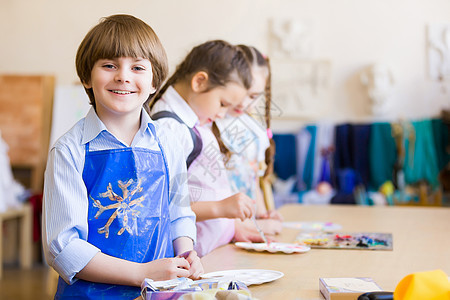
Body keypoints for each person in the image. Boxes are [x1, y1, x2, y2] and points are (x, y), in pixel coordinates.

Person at [42, 14, 202, 299]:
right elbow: (64, 248)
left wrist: (187, 251)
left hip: (160, 292)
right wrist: (141, 273)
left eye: (138, 67)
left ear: (154, 82)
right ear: (86, 77)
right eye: (109, 65)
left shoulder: (169, 142)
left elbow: (180, 212)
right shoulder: (69, 150)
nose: (123, 76)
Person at [149, 40, 265, 257]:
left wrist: (233, 226)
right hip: (191, 257)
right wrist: (221, 208)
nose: (222, 114)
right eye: (222, 103)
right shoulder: (170, 128)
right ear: (199, 82)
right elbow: (160, 206)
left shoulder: (195, 120)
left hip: (214, 250)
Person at [214, 45, 283, 235]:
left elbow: (252, 180)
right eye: (242, 92)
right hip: (221, 231)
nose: (244, 103)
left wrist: (262, 215)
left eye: (253, 96)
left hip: (249, 230)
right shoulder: (210, 122)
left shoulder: (253, 129)